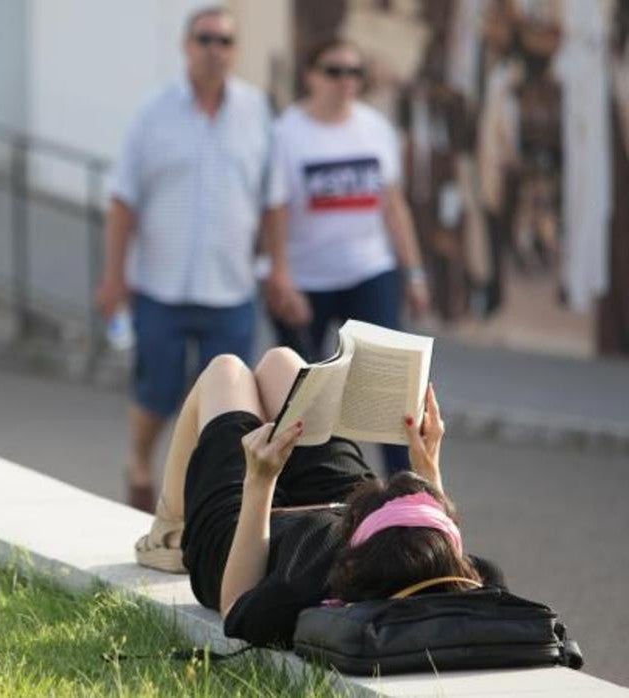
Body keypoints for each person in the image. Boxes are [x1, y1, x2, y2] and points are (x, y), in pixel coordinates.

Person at [133, 348, 504, 647]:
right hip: (369, 519)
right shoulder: (472, 579)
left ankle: (168, 530)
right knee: (285, 364)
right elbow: (435, 562)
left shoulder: (301, 583)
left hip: (251, 531)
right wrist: (428, 471)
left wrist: (260, 483)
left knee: (226, 372)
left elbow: (235, 607)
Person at [96, 6, 274, 511]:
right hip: (160, 285)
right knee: (157, 391)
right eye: (205, 39)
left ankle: (202, 501)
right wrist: (114, 277)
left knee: (227, 404)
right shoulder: (154, 113)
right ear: (186, 45)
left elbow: (274, 199)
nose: (214, 49)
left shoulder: (257, 112)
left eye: (225, 41)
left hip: (231, 286)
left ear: (235, 51)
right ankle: (138, 461)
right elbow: (122, 198)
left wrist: (280, 268)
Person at [262, 38, 430, 476]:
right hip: (306, 279)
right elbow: (274, 209)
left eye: (355, 73)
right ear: (311, 76)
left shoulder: (376, 128)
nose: (345, 82)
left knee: (389, 387)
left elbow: (393, 205)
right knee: (304, 395)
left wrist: (413, 273)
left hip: (369, 270)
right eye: (334, 71)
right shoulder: (286, 133)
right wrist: (280, 275)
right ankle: (309, 490)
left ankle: (404, 487)